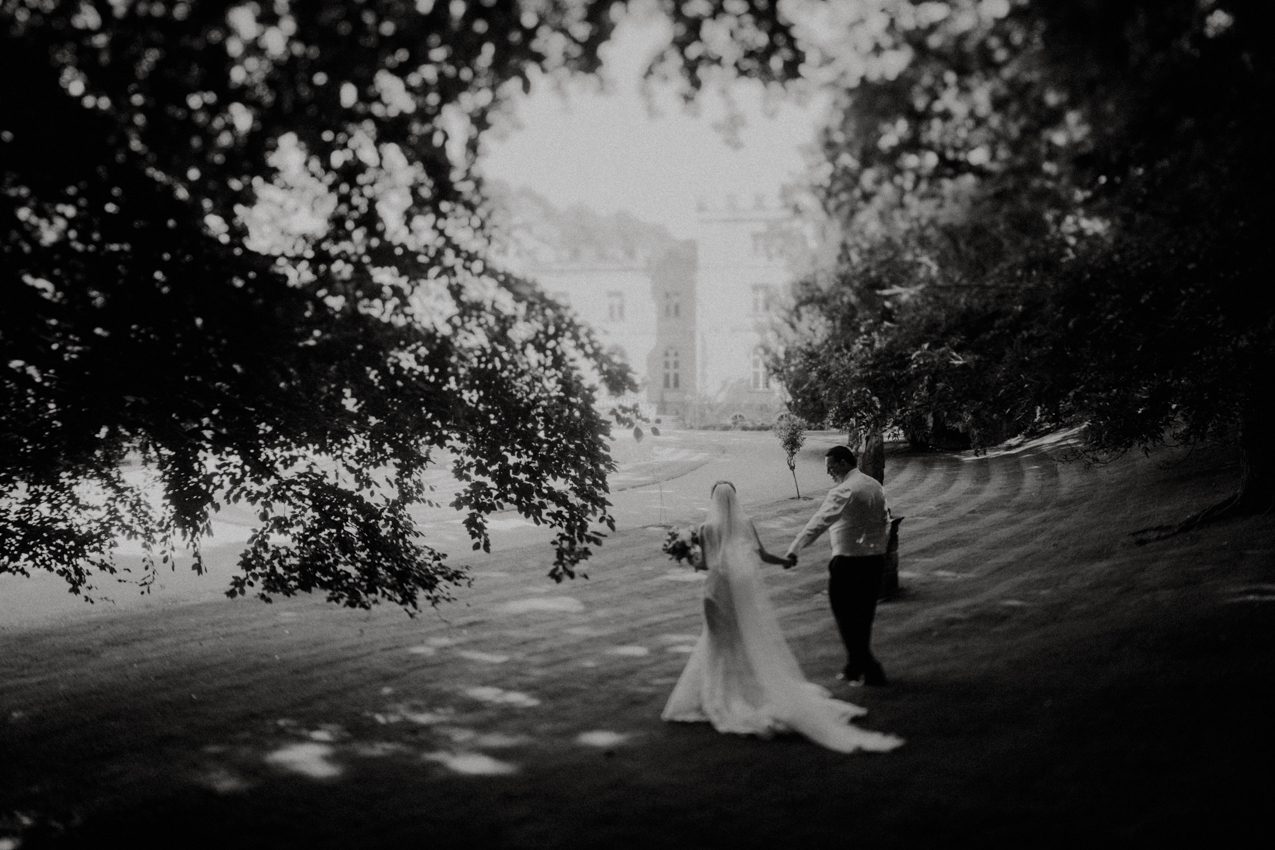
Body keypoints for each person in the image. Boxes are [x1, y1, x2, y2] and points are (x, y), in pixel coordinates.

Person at [661, 481, 902, 754]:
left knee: (717, 640)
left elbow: (705, 564)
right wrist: (786, 561)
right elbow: (762, 555)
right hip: (738, 593)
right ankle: (743, 688)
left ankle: (721, 693)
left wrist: (686, 556)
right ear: (735, 499)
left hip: (715, 592)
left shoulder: (706, 529)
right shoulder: (745, 523)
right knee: (741, 637)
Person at [784, 445, 892, 687]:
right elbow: (886, 520)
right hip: (874, 560)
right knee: (863, 618)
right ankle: (854, 667)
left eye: (830, 466)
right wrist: (880, 549)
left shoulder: (844, 490)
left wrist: (794, 549)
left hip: (848, 561)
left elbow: (818, 522)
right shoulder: (874, 484)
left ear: (843, 463)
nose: (828, 472)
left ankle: (870, 668)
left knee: (845, 617)